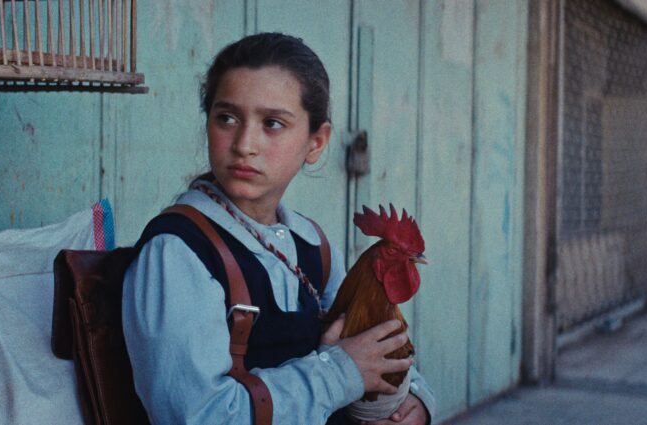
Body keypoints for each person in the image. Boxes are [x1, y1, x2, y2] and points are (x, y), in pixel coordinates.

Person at [121, 32, 436, 425]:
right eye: (227, 118)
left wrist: (416, 401)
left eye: (272, 123)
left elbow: (371, 341)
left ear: (316, 143)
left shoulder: (311, 244)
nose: (244, 144)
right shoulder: (178, 253)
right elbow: (195, 415)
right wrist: (339, 372)